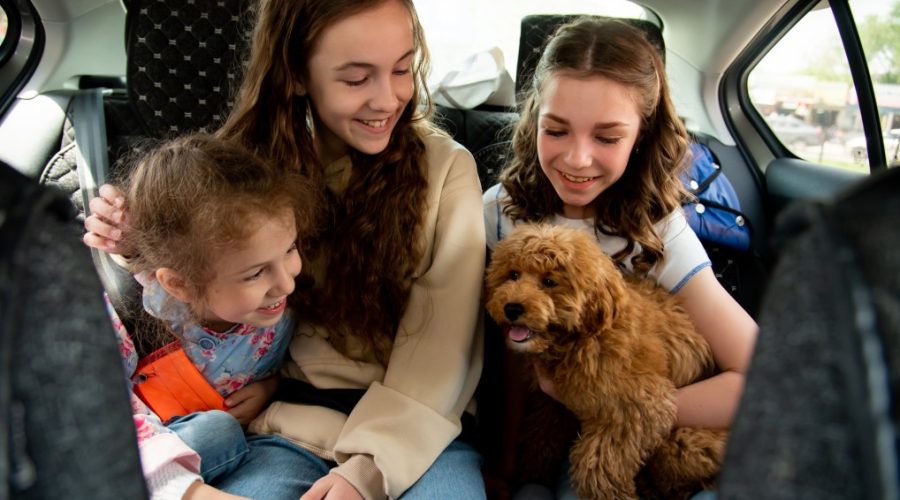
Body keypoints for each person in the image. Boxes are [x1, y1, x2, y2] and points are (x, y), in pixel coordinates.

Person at [83, 1, 487, 499]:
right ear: (296, 74)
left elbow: (443, 350)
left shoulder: (447, 169)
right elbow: (199, 282)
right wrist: (134, 245)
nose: (389, 98)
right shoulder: (243, 170)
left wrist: (365, 472)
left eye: (403, 69)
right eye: (357, 80)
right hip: (289, 425)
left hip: (419, 435)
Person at [482, 18, 758, 499]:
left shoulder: (658, 231)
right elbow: (507, 357)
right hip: (542, 438)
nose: (577, 158)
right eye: (557, 130)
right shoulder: (499, 213)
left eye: (606, 138)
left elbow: (760, 376)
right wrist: (509, 468)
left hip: (627, 431)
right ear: (532, 121)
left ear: (642, 135)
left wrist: (632, 407)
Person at [105, 133, 317, 499]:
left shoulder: (280, 309)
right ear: (178, 284)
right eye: (254, 273)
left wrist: (273, 387)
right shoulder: (125, 315)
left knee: (220, 433)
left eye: (290, 249)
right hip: (136, 457)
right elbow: (99, 417)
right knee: (216, 433)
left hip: (229, 448)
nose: (285, 283)